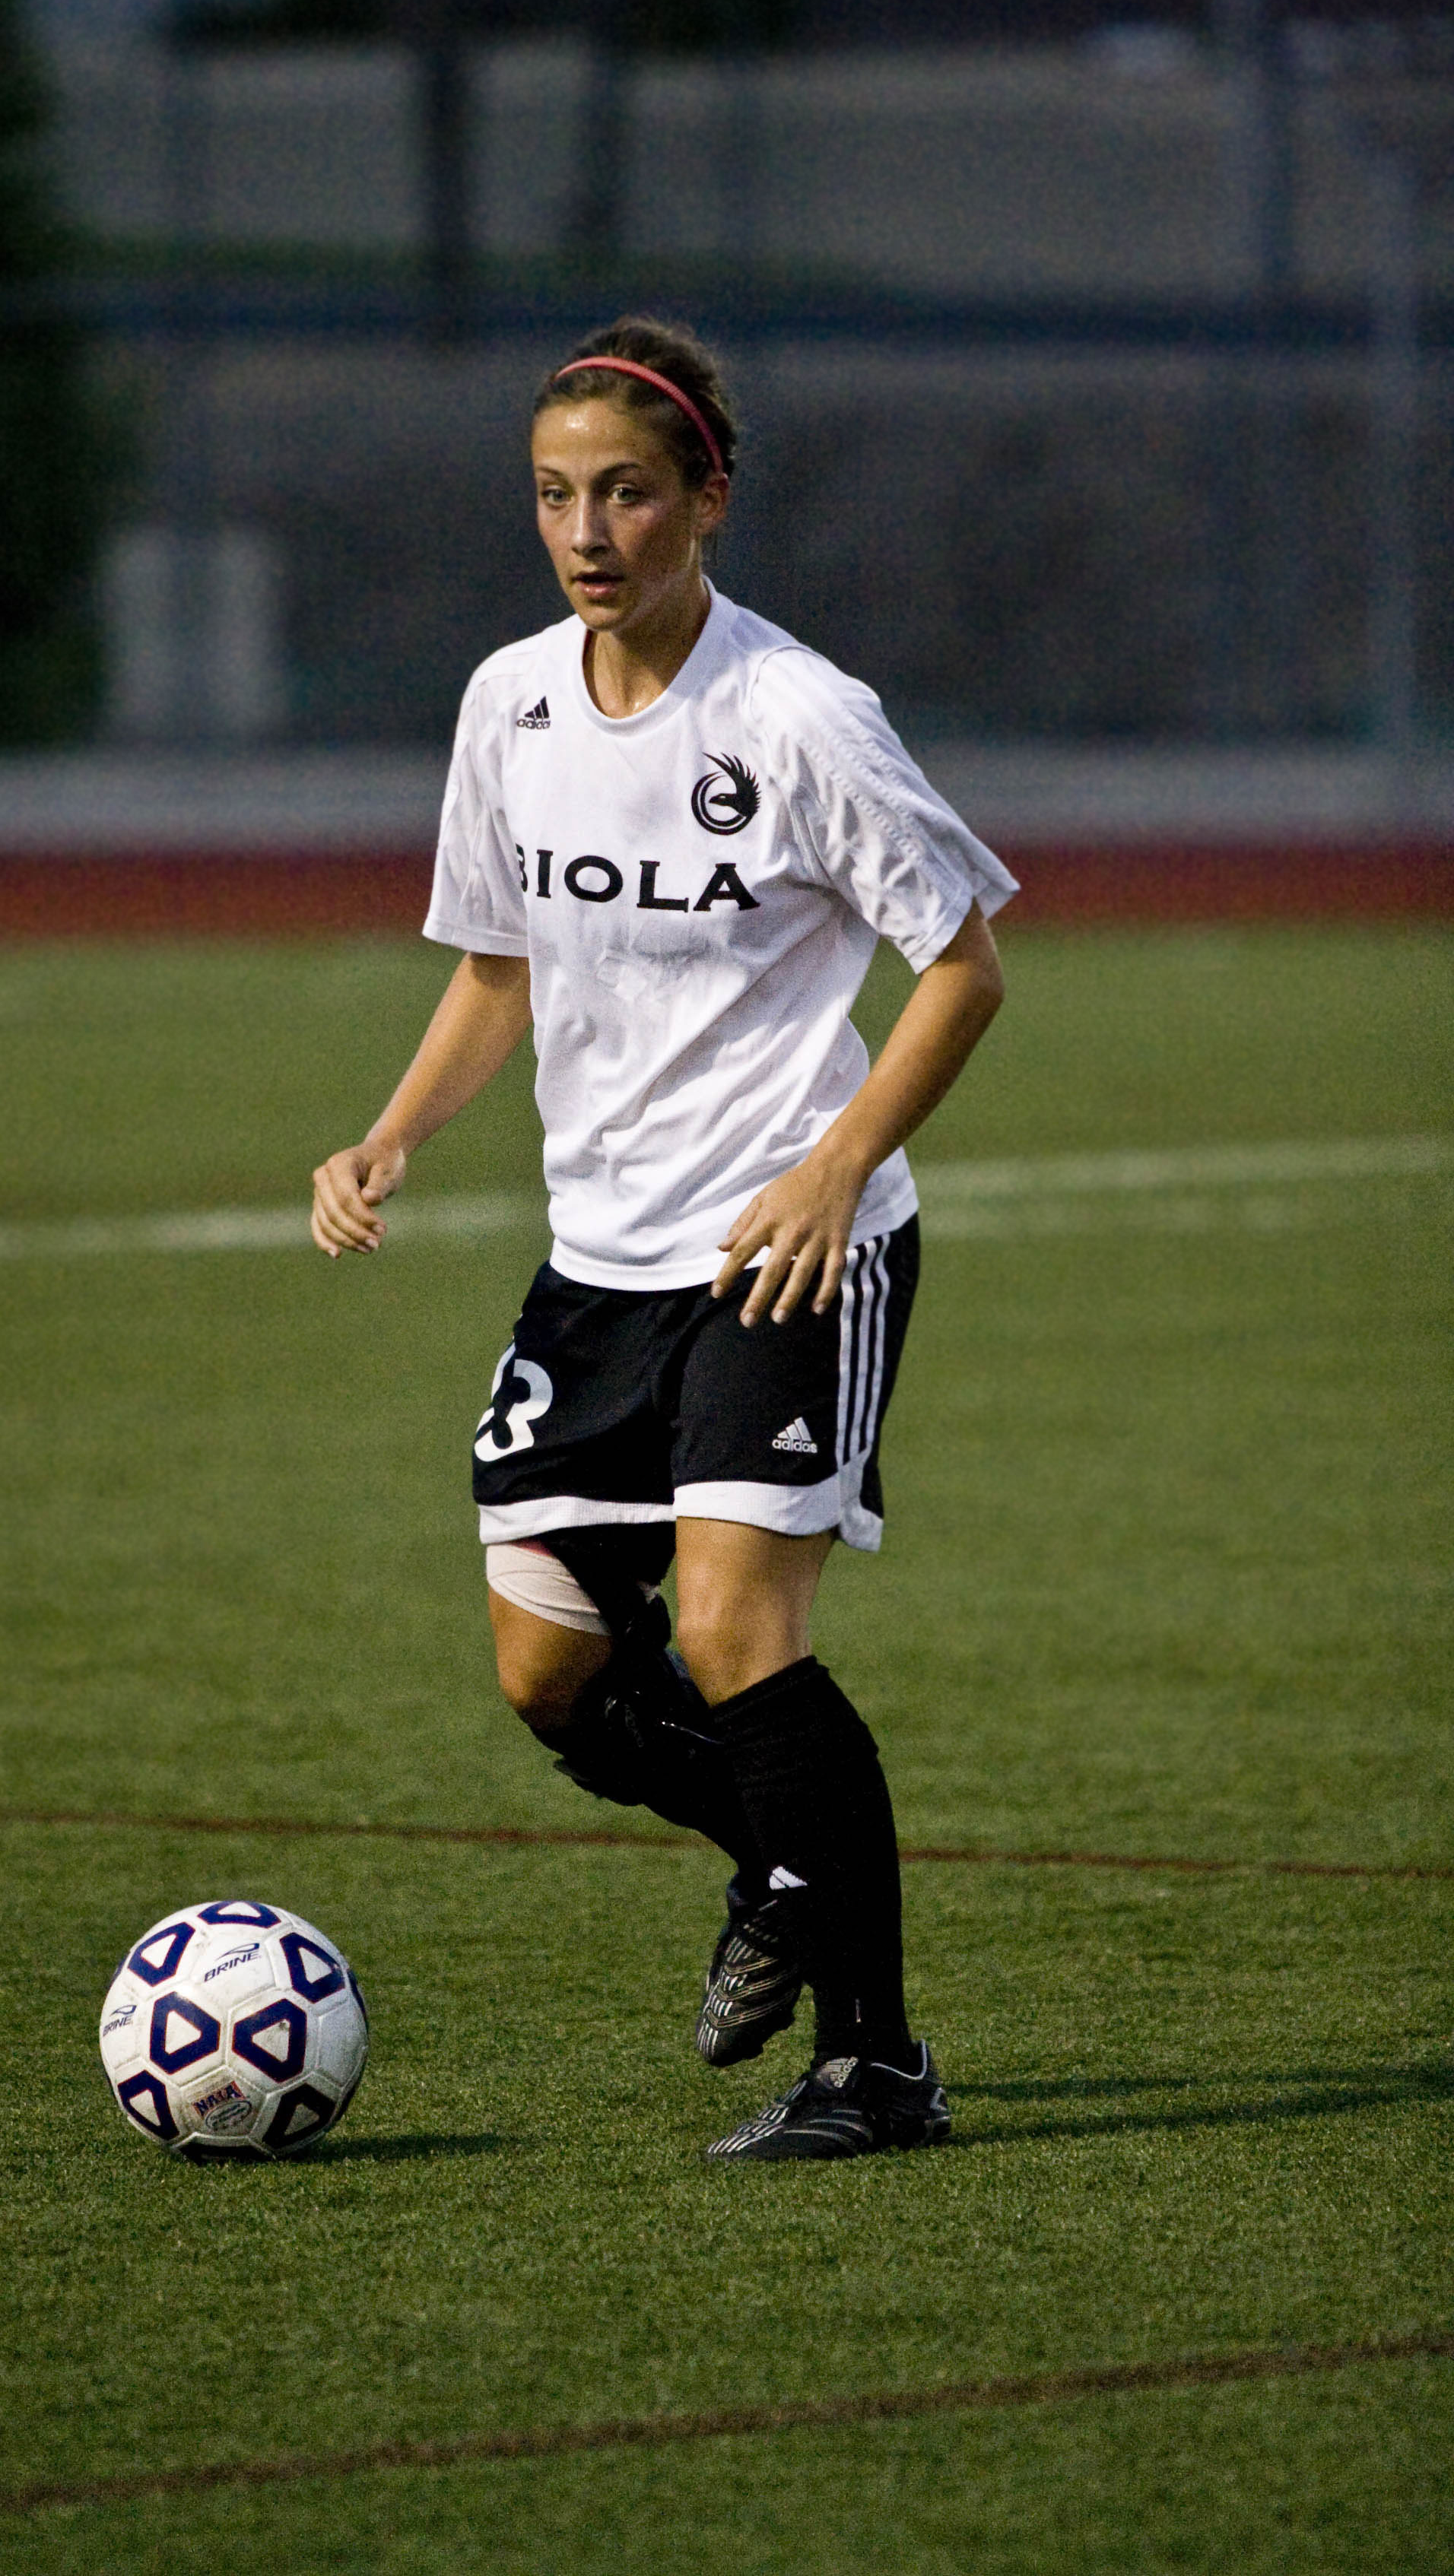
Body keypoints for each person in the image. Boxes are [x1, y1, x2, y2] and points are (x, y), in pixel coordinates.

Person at [313, 317, 1014, 2161]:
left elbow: (963, 967)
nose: (588, 529)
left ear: (707, 497)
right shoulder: (511, 705)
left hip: (790, 1244)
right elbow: (499, 965)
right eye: (555, 495)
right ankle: (779, 1860)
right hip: (597, 1258)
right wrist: (390, 1135)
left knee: (728, 1632)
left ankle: (877, 2069)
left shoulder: (796, 718)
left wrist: (839, 1162)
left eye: (627, 491)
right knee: (547, 1670)